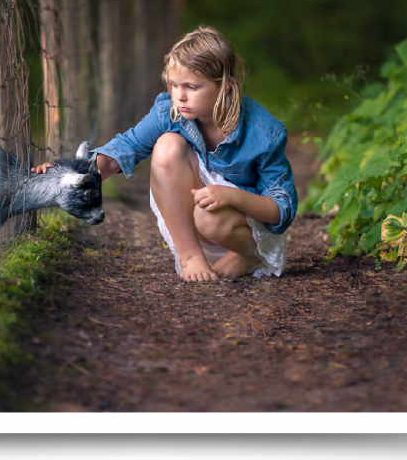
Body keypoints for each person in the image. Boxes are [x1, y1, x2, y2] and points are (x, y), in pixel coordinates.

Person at [32, 26, 298, 282]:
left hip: (242, 227)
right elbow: (122, 151)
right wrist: (66, 173)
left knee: (209, 218)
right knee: (168, 145)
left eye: (192, 87)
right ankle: (191, 255)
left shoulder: (264, 132)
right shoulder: (170, 111)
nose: (179, 97)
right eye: (174, 85)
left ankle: (248, 255)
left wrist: (230, 195)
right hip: (195, 222)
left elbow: (281, 210)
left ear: (225, 87)